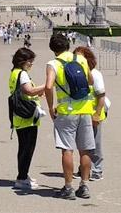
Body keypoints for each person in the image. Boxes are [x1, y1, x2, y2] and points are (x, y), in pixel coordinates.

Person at [45, 33, 95, 200]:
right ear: (68, 44)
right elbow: (90, 81)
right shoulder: (80, 59)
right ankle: (84, 185)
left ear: (53, 49)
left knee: (67, 149)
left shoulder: (53, 63)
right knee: (85, 149)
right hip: (85, 109)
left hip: (66, 111)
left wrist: (51, 107)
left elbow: (48, 86)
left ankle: (68, 187)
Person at [9, 47, 45, 190]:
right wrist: (45, 86)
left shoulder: (14, 73)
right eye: (29, 61)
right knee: (27, 148)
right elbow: (28, 90)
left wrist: (37, 92)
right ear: (22, 61)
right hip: (27, 116)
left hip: (19, 115)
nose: (31, 64)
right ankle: (22, 177)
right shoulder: (22, 74)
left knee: (24, 147)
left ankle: (23, 174)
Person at [74, 46, 109, 181]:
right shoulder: (79, 73)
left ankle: (97, 169)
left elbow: (101, 96)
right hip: (83, 112)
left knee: (95, 143)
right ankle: (84, 168)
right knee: (84, 144)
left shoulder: (95, 74)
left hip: (95, 112)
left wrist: (97, 114)